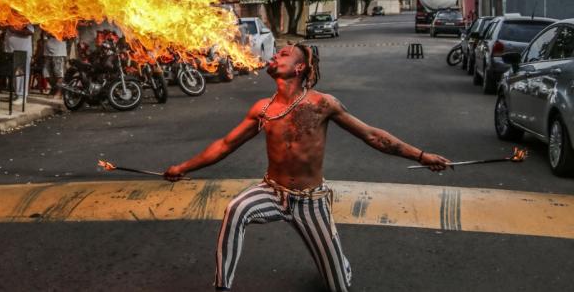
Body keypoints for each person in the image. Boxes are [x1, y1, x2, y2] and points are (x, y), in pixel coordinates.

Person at [164, 43, 450, 291]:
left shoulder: (321, 103)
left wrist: (421, 155)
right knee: (235, 209)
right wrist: (184, 166)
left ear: (299, 68)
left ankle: (335, 263)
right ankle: (222, 286)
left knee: (338, 284)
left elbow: (372, 135)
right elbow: (226, 144)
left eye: (284, 54)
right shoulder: (263, 109)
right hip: (272, 192)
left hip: (310, 201)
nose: (276, 56)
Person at [4, 24, 34, 103]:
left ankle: (22, 96)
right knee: (15, 75)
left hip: (22, 52)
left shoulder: (25, 19)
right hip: (12, 52)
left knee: (21, 75)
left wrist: (14, 31)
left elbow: (30, 32)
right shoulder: (11, 19)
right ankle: (17, 94)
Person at [42, 30, 68, 98]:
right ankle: (54, 88)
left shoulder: (64, 22)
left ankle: (59, 92)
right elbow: (43, 34)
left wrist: (53, 33)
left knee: (59, 74)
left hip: (58, 52)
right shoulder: (46, 21)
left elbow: (67, 36)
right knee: (46, 73)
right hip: (47, 52)